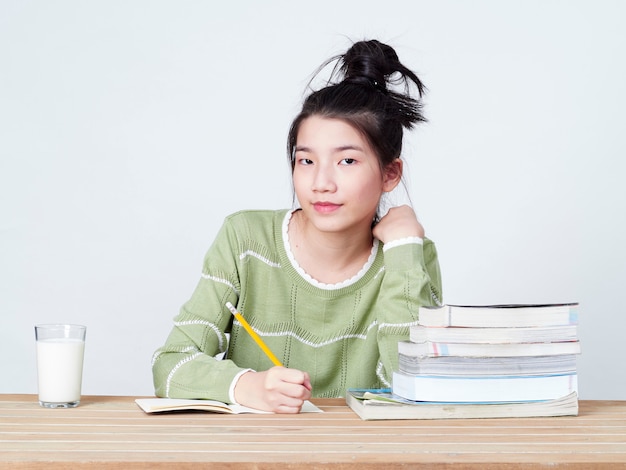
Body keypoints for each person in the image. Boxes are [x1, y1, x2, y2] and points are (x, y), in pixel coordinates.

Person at [152, 39, 443, 413]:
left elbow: (415, 388)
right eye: (306, 161)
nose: (321, 182)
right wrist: (246, 386)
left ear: (391, 173)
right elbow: (170, 365)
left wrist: (404, 252)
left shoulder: (410, 254)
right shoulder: (245, 240)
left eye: (347, 161)